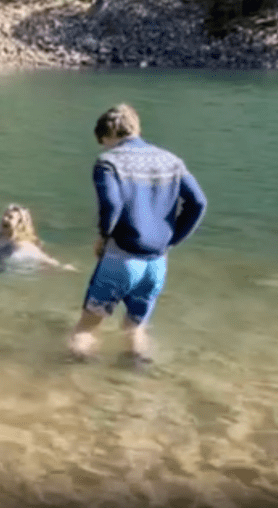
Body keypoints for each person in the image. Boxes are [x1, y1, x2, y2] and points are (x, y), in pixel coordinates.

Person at [68, 103, 207, 368]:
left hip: (120, 259)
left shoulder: (108, 162)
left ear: (107, 135)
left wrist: (103, 236)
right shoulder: (171, 160)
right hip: (156, 263)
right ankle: (134, 383)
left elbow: (111, 204)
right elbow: (198, 203)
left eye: (103, 142)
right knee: (135, 328)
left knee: (86, 328)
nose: (104, 147)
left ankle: (74, 384)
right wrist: (173, 239)